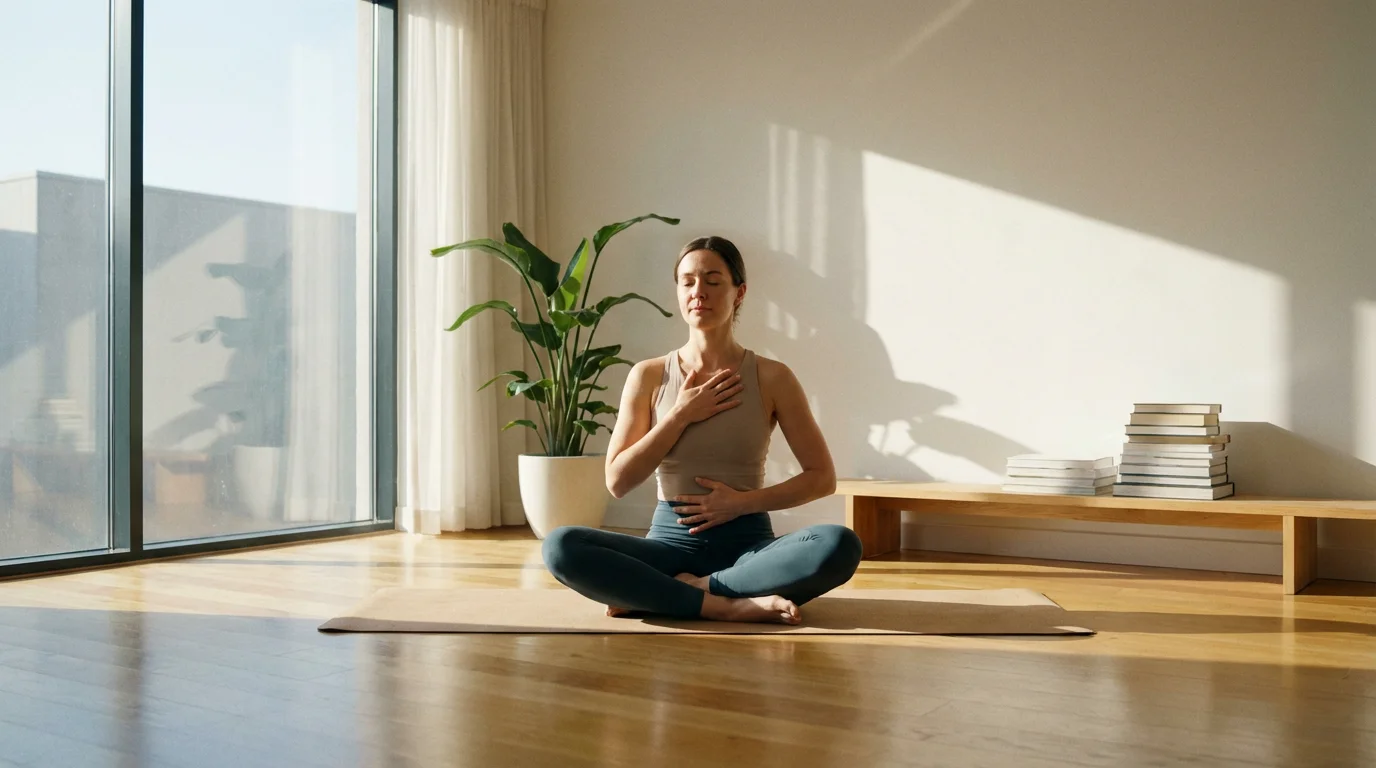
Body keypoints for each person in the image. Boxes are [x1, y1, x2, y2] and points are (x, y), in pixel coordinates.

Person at [541, 236, 862, 625]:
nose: (699, 292)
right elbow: (618, 481)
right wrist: (679, 415)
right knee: (561, 546)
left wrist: (741, 503)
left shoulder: (773, 377)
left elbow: (821, 478)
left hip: (749, 552)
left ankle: (683, 591)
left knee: (838, 544)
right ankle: (729, 604)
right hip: (667, 548)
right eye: (688, 281)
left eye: (713, 281)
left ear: (738, 292)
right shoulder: (649, 375)